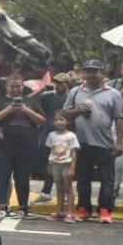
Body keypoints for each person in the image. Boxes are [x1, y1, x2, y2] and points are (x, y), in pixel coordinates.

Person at [62, 60, 123, 223]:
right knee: (83, 178)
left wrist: (119, 142)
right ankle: (84, 208)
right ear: (83, 73)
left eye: (94, 71)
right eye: (87, 71)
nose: (90, 74)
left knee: (107, 179)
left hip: (105, 144)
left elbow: (119, 119)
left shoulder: (114, 94)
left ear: (103, 73)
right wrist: (77, 110)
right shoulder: (75, 91)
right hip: (81, 143)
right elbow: (65, 114)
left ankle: (104, 210)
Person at [0, 75, 45, 218]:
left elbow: (42, 120)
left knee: (23, 177)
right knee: (3, 175)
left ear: (22, 86)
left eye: (18, 86)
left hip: (26, 146)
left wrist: (27, 110)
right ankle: (3, 207)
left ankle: (23, 208)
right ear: (7, 87)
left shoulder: (30, 101)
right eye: (12, 86)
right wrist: (8, 110)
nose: (15, 89)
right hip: (3, 145)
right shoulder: (0, 101)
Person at [33, 73, 71, 204]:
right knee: (49, 164)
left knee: (65, 164)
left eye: (61, 83)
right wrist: (41, 90)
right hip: (47, 134)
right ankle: (46, 193)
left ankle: (65, 194)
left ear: (67, 84)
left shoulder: (71, 98)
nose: (58, 85)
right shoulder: (46, 96)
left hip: (65, 136)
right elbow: (31, 104)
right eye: (56, 82)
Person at [45, 113, 79, 222]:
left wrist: (72, 168)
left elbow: (74, 152)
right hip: (55, 164)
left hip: (66, 164)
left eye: (61, 119)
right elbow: (51, 150)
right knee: (59, 188)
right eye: (56, 120)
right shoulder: (51, 135)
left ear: (68, 121)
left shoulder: (71, 136)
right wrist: (49, 164)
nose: (58, 122)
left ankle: (70, 213)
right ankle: (59, 211)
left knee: (68, 189)